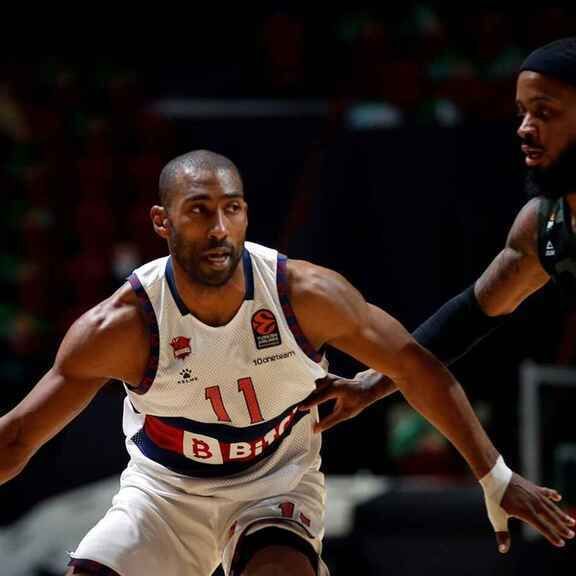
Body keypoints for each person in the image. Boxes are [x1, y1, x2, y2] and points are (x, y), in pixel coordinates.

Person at [0, 150, 573, 576]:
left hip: (275, 486)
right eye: (199, 211)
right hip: (164, 494)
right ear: (161, 221)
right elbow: (20, 436)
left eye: (231, 209)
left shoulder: (304, 295)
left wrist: (494, 476)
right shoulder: (122, 326)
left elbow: (417, 367)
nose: (219, 229)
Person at [301, 36, 576, 549]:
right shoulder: (542, 226)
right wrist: (370, 384)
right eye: (521, 112)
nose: (524, 128)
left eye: (545, 112)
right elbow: (466, 320)